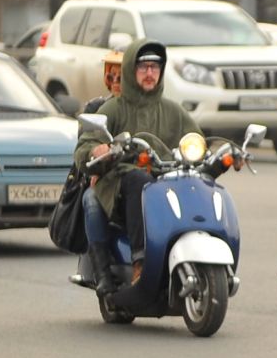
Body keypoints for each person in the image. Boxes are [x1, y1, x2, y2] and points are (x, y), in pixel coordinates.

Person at [73, 39, 198, 290]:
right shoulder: (113, 108)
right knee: (134, 181)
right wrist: (97, 150)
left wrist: (226, 153)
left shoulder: (174, 111)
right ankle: (136, 261)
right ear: (131, 70)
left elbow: (198, 140)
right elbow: (85, 147)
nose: (150, 73)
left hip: (166, 182)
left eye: (155, 67)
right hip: (118, 185)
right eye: (143, 68)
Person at [70, 50, 125, 288]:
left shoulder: (155, 106)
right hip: (106, 178)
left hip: (148, 175)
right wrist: (97, 159)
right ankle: (102, 270)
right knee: (92, 200)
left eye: (121, 75)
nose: (115, 81)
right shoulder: (98, 108)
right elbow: (84, 148)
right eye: (111, 74)